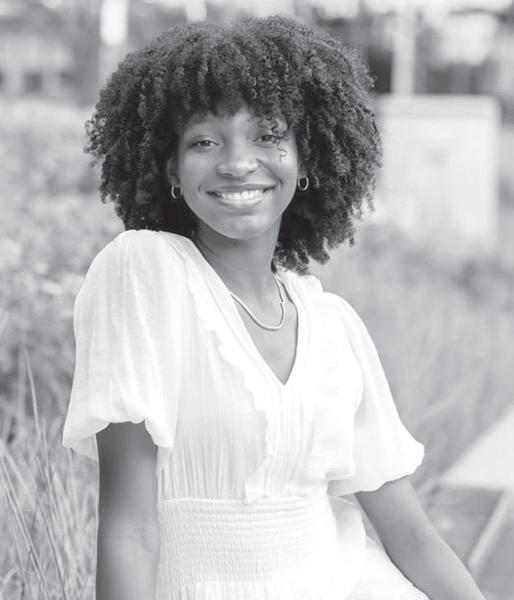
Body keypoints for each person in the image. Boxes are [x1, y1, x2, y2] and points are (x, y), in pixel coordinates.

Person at [62, 14, 486, 600]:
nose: (238, 163)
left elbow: (411, 535)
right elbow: (129, 531)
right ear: (171, 168)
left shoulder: (333, 327)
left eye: (267, 136)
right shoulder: (145, 273)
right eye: (205, 141)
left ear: (304, 159)